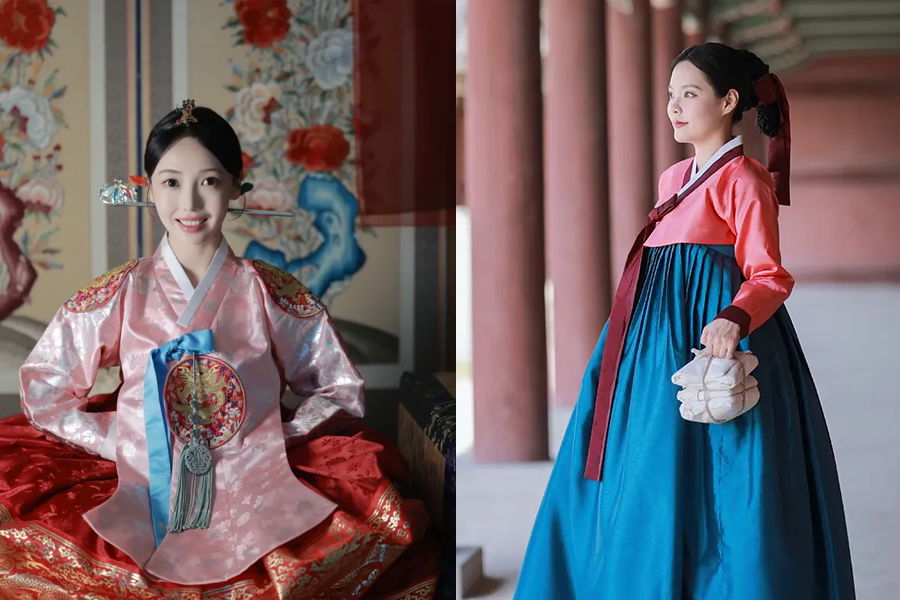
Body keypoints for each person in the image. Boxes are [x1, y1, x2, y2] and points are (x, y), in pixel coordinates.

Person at [0, 101, 439, 598]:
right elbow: (45, 383)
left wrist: (280, 434)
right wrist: (116, 438)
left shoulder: (269, 290)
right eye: (170, 182)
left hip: (256, 468)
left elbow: (336, 386)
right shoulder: (123, 289)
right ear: (147, 188)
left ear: (236, 187)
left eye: (208, 181)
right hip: (140, 469)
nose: (189, 202)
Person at [513, 43, 855, 599]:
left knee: (720, 478)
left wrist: (733, 318)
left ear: (728, 101)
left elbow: (769, 275)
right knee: (639, 468)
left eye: (689, 94)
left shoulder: (744, 178)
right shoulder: (673, 177)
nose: (675, 106)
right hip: (648, 345)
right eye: (671, 95)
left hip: (711, 346)